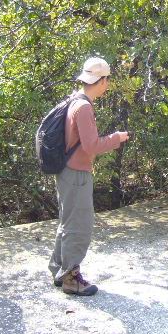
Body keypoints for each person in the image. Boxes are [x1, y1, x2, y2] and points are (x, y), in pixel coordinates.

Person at [48, 57, 129, 296]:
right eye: (107, 79)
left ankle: (59, 269)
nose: (108, 84)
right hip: (76, 174)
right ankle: (71, 278)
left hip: (66, 171)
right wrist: (116, 138)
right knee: (79, 225)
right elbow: (91, 145)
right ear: (101, 81)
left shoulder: (74, 100)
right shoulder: (83, 107)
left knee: (67, 221)